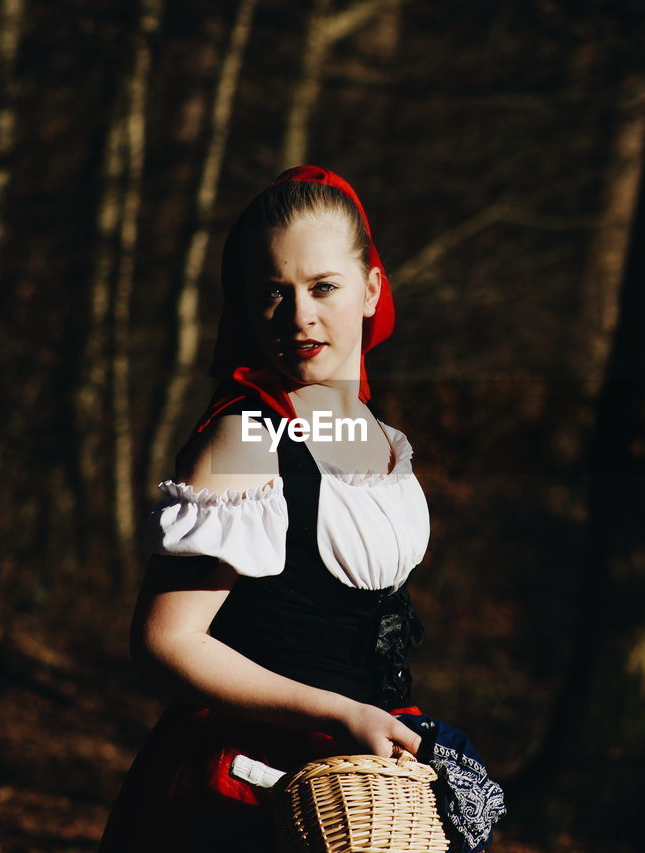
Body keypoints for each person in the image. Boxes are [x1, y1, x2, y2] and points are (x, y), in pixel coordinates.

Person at [98, 166, 432, 852]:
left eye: (324, 287)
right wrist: (339, 712)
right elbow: (166, 640)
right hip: (242, 790)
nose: (301, 315)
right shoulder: (247, 436)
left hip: (359, 788)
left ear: (371, 289)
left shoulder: (374, 431)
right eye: (274, 293)